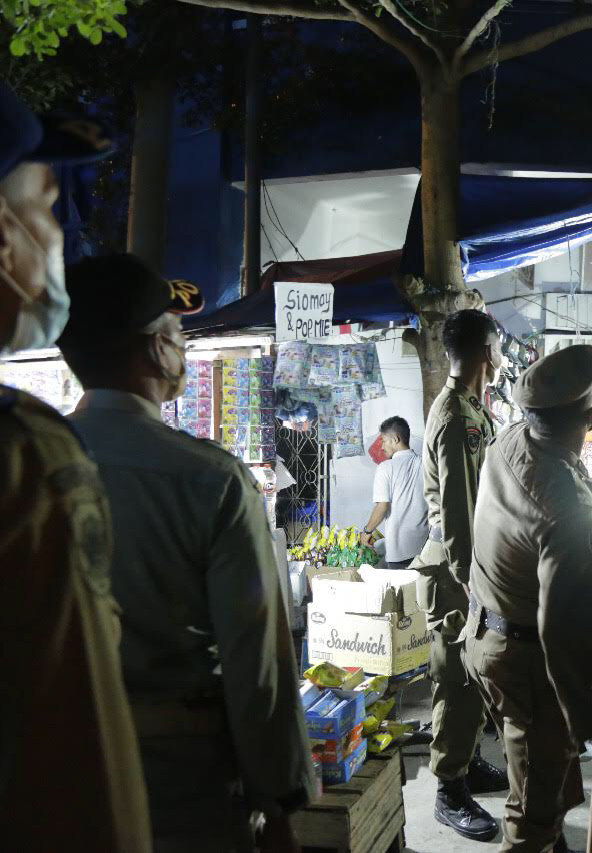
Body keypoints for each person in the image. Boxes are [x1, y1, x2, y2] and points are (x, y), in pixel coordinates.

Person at [58, 254, 313, 852]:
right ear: (154, 349)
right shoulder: (210, 479)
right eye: (177, 332)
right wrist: (279, 796)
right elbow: (256, 656)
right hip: (178, 779)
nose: (184, 346)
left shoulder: (27, 459)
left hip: (49, 764)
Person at [0, 86, 151, 853]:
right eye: (49, 206)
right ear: (4, 236)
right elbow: (80, 749)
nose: (58, 235)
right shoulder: (26, 458)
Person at [464, 343, 592, 853]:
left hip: (483, 639)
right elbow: (563, 633)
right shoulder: (574, 513)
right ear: (589, 418)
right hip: (525, 663)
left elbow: (542, 493)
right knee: (531, 818)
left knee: (546, 774)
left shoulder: (509, 440)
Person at [408, 308, 507, 841]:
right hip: (454, 571)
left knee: (474, 674)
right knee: (456, 679)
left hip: (464, 565)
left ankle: (466, 764)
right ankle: (449, 790)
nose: (502, 356)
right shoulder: (456, 416)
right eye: (499, 347)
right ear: (487, 352)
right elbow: (456, 507)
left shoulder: (469, 408)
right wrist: (472, 580)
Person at [359, 415, 429, 569]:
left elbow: (382, 507)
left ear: (395, 439)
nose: (382, 447)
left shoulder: (385, 468)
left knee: (400, 585)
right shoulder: (425, 463)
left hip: (399, 552)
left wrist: (367, 531)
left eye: (384, 441)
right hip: (425, 549)